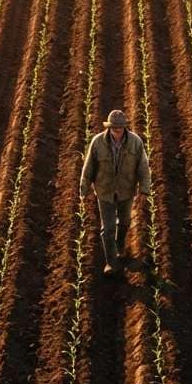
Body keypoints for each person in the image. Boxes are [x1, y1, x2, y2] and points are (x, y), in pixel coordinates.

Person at [80, 109, 151, 275]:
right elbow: (88, 167)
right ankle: (110, 262)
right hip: (105, 191)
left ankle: (120, 246)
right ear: (109, 127)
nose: (117, 131)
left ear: (124, 127)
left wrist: (144, 190)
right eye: (114, 128)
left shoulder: (135, 142)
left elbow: (143, 168)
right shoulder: (98, 142)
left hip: (126, 190)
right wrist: (83, 190)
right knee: (108, 227)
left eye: (119, 128)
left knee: (125, 222)